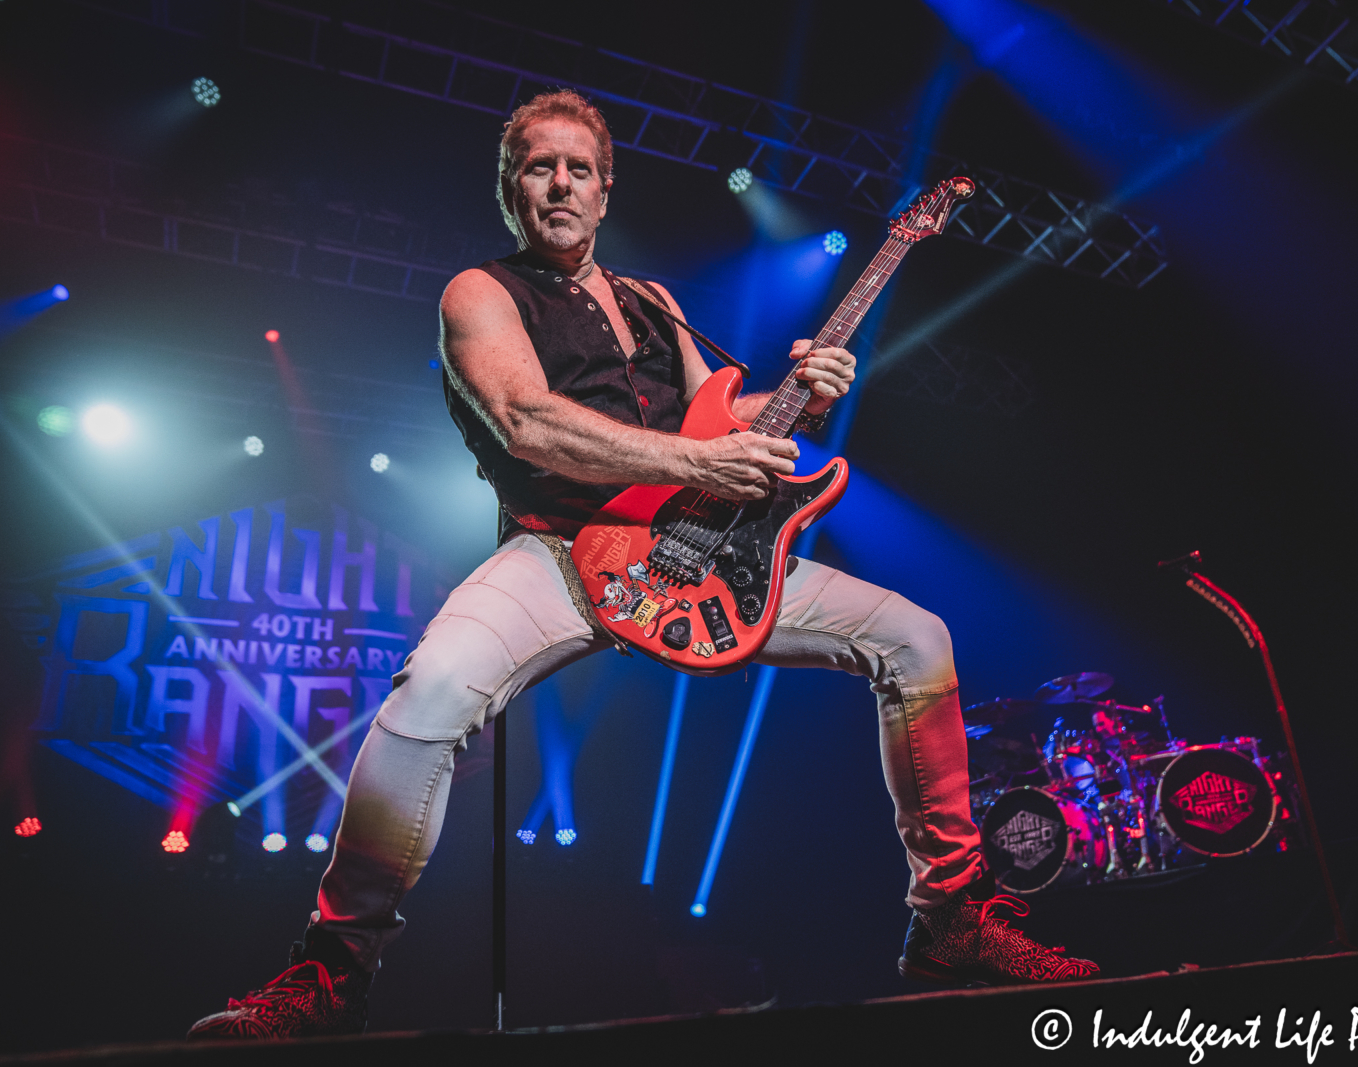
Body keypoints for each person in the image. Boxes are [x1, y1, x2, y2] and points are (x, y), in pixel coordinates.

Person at [188, 89, 1096, 1040]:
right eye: (540, 166)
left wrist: (803, 394)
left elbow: (727, 426)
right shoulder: (481, 292)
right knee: (433, 690)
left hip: (696, 561)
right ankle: (332, 973)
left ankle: (951, 913)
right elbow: (527, 421)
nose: (561, 184)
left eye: (580, 168)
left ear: (606, 191)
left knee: (918, 638)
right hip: (558, 552)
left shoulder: (652, 303)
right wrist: (703, 460)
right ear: (511, 190)